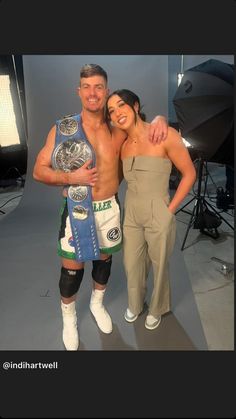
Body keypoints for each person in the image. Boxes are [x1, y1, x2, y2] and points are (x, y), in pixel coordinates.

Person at [33, 64, 169, 350]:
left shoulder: (118, 129)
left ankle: (97, 305)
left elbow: (144, 127)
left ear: (106, 91)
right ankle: (69, 320)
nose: (92, 93)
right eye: (87, 87)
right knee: (71, 272)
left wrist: (160, 117)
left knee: (103, 265)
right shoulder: (63, 129)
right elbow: (38, 171)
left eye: (98, 87)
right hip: (78, 209)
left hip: (109, 208)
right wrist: (71, 177)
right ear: (79, 91)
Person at [106, 89, 196, 330]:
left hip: (159, 211)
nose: (117, 113)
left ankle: (157, 308)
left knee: (159, 264)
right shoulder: (123, 145)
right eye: (112, 111)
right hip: (131, 214)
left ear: (135, 106)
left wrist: (170, 210)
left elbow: (189, 174)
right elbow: (114, 182)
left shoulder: (165, 135)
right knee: (131, 264)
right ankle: (135, 304)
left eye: (121, 105)